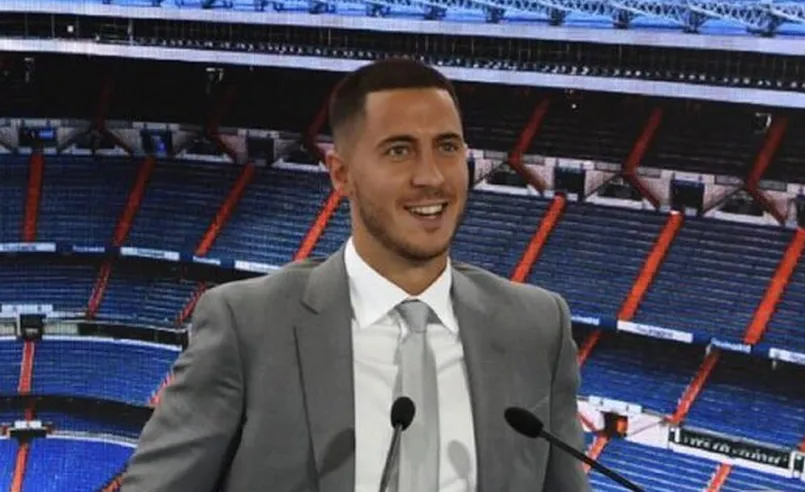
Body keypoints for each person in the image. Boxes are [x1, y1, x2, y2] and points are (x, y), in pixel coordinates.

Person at [121, 58, 591, 492]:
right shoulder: (247, 326)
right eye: (399, 150)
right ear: (341, 174)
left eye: (447, 147)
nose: (431, 176)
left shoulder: (537, 326)